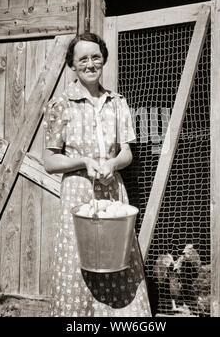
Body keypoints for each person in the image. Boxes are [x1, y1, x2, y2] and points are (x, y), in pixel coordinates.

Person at [43, 32, 151, 317]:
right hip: (78, 195)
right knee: (77, 262)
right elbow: (49, 161)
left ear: (103, 60)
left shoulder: (117, 103)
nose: (90, 64)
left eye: (95, 57)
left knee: (117, 259)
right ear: (72, 65)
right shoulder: (61, 105)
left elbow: (127, 152)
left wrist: (113, 164)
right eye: (83, 59)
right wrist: (83, 160)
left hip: (112, 193)